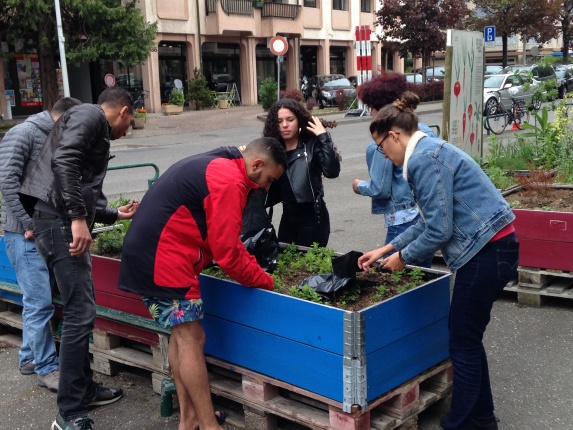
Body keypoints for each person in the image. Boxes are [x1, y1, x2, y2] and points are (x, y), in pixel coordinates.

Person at [357, 92, 519, 430]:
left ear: (394, 136)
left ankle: (459, 424)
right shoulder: (429, 150)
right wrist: (385, 250)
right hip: (494, 250)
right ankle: (482, 419)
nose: (385, 158)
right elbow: (427, 220)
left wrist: (402, 257)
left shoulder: (423, 159)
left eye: (383, 150)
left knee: (461, 341)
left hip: (486, 254)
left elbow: (438, 230)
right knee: (468, 339)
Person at [117, 137, 286, 430]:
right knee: (192, 339)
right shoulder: (230, 181)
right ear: (256, 164)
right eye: (269, 180)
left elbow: (220, 239)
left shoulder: (223, 162)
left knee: (181, 337)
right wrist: (265, 280)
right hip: (164, 260)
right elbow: (227, 253)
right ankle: (209, 425)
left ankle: (189, 419)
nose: (266, 188)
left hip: (153, 254)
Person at [18, 87, 138, 430]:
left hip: (57, 219)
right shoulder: (90, 115)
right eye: (130, 120)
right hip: (58, 222)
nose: (128, 128)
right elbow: (64, 161)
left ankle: (83, 391)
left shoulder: (93, 124)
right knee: (79, 312)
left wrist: (115, 215)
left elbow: (80, 183)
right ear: (123, 110)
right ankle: (68, 412)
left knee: (80, 309)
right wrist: (76, 218)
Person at [0, 97, 82, 392]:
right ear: (66, 118)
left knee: (38, 300)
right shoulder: (24, 133)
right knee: (39, 302)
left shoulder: (52, 134)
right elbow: (7, 182)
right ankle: (47, 368)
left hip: (39, 229)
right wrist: (28, 223)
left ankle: (28, 358)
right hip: (23, 233)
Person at [352, 73, 436, 267]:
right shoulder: (423, 130)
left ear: (375, 108)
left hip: (401, 221)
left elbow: (379, 188)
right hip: (423, 216)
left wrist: (358, 186)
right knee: (423, 276)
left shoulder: (382, 142)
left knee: (399, 282)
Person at [262, 98, 340, 247]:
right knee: (286, 263)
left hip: (312, 219)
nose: (285, 125)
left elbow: (332, 171)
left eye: (290, 119)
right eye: (279, 121)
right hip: (287, 218)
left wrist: (323, 137)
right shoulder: (273, 151)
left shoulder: (311, 145)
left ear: (298, 120)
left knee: (308, 266)